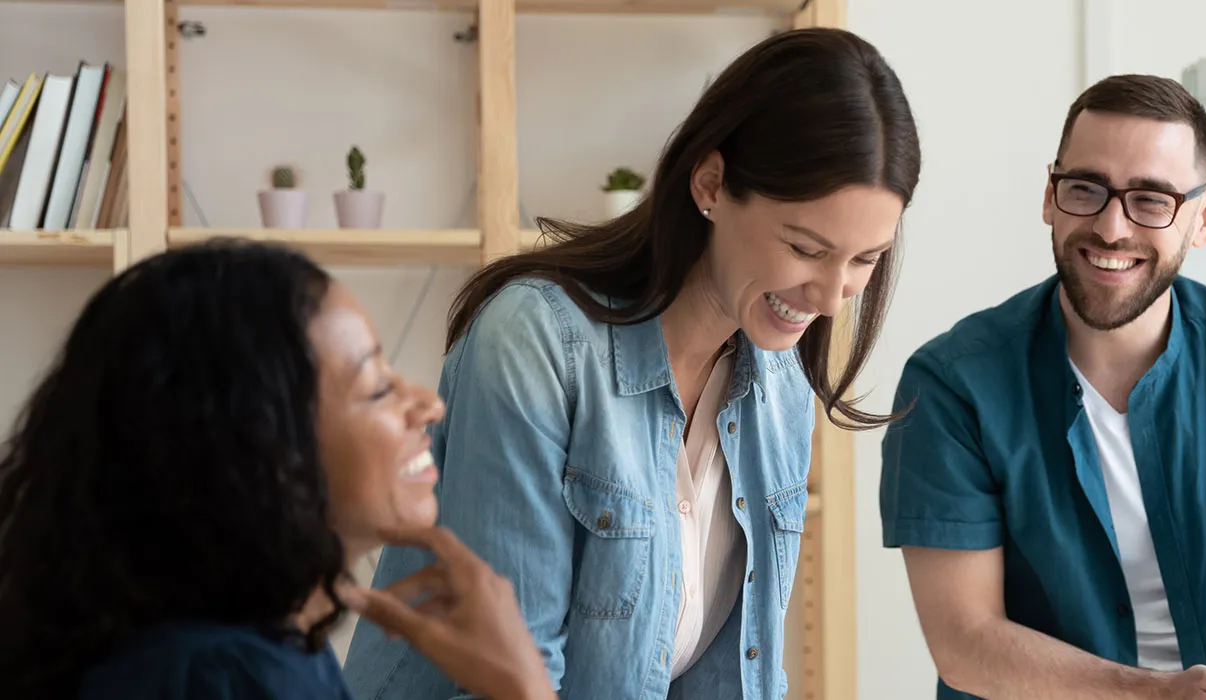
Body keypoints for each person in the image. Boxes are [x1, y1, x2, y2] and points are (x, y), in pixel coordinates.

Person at [341, 26, 920, 700]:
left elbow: (741, 679)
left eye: (865, 260)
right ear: (711, 183)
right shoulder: (535, 345)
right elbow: (507, 681)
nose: (829, 297)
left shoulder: (778, 386)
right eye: (805, 248)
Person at [879, 74, 1206, 700]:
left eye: (1152, 201)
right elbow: (965, 642)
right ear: (1049, 196)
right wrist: (1152, 694)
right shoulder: (951, 385)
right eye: (1085, 189)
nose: (1110, 228)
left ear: (1204, 217)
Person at [0, 239, 556, 700]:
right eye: (377, 387)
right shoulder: (228, 680)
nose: (428, 405)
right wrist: (522, 687)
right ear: (260, 447)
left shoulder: (245, 651)